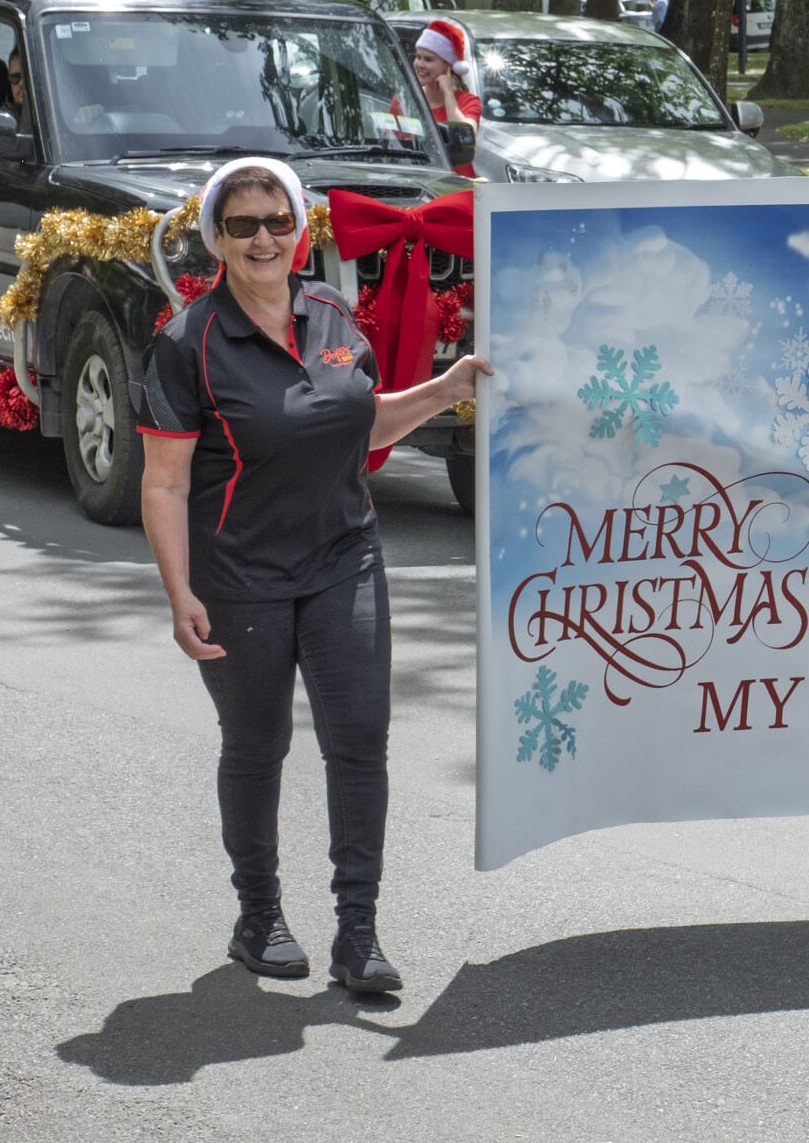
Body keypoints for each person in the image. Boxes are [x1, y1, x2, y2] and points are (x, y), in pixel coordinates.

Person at [139, 158, 492, 993]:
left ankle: (357, 933)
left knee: (360, 739)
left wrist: (445, 388)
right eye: (242, 225)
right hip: (240, 575)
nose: (263, 239)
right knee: (258, 745)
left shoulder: (330, 311)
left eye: (278, 221)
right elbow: (166, 483)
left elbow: (362, 423)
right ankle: (258, 916)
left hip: (344, 559)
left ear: (300, 227)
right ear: (217, 240)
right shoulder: (188, 343)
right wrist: (180, 593)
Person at [413, 18, 481, 180]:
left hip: (456, 186)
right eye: (418, 57)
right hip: (418, 181)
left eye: (428, 59)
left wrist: (448, 93)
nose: (420, 64)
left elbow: (463, 140)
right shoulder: (406, 99)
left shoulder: (469, 102)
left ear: (449, 66)